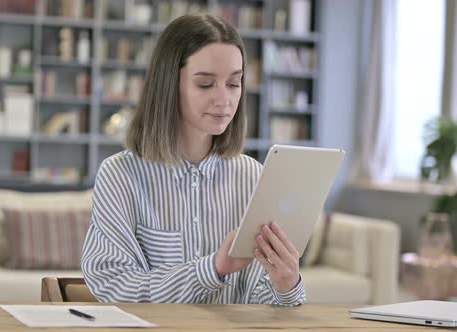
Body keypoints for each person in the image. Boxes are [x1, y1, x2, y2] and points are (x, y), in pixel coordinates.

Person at [81, 13, 305, 305]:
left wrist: (286, 285)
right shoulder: (120, 175)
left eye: (234, 83)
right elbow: (114, 287)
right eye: (205, 84)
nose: (224, 100)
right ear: (169, 85)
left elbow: (258, 299)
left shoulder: (252, 176)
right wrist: (212, 269)